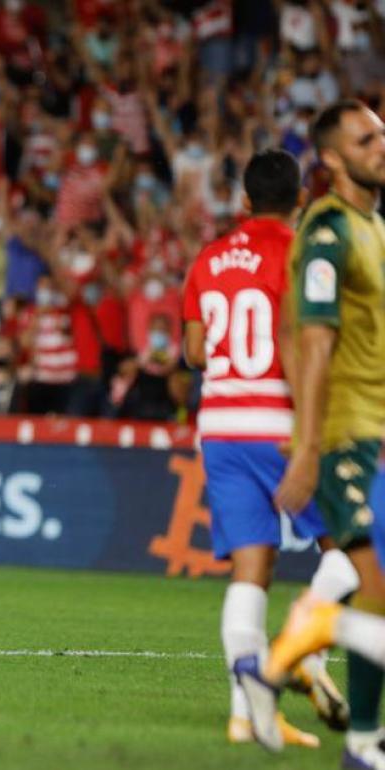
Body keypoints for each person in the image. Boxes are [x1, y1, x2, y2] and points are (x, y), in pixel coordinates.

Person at [182, 148, 356, 750]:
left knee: (250, 570)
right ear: (301, 199)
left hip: (220, 425)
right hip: (280, 422)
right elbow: (297, 340)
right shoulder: (302, 253)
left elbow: (195, 352)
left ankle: (245, 715)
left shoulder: (208, 258)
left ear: (244, 201)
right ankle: (299, 650)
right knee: (354, 549)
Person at [233, 103, 385, 769]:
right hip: (347, 436)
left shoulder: (372, 226)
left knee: (375, 590)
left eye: (382, 135)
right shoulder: (328, 230)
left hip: (374, 431)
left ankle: (358, 738)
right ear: (330, 159)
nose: (380, 146)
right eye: (365, 139)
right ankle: (313, 633)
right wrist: (309, 443)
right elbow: (311, 340)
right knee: (374, 590)